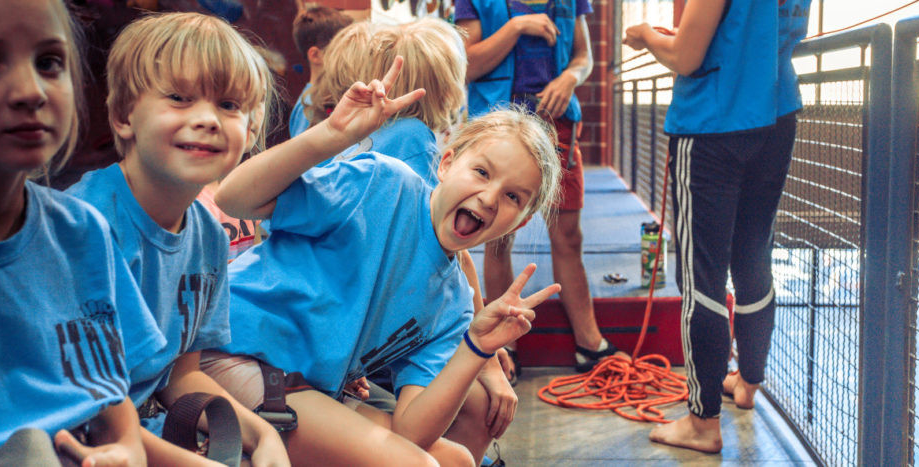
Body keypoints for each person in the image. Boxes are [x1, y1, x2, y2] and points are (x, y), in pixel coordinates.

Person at [205, 57, 563, 466]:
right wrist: (330, 136)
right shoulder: (382, 182)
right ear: (446, 163)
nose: (489, 197)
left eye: (513, 197)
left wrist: (476, 346)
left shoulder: (455, 303)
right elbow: (233, 198)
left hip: (309, 388)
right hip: (234, 354)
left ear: (523, 219)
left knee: (457, 461)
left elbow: (413, 430)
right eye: (481, 172)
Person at [65, 12, 290, 466]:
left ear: (249, 131)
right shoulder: (83, 228)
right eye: (180, 98)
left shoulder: (207, 233)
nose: (207, 119)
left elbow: (180, 377)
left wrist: (264, 437)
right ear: (123, 117)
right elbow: (84, 409)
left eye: (228, 105)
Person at [299, 18, 521, 443]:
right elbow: (450, 249)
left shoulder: (365, 137)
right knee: (477, 406)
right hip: (369, 321)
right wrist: (488, 362)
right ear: (446, 85)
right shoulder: (411, 138)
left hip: (354, 320)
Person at [623, 0, 811, 454]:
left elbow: (687, 58)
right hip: (776, 110)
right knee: (753, 254)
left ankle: (702, 421)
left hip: (713, 122)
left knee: (702, 276)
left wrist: (647, 36)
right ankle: (747, 383)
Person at [0, 0, 162, 465]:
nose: (30, 91)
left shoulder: (81, 231)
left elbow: (105, 385)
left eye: (48, 62)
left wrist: (127, 447)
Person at [455, 0, 620, 376]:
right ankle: (500, 347)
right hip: (500, 124)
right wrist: (515, 28)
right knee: (497, 235)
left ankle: (589, 343)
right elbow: (466, 65)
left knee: (568, 235)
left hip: (558, 125)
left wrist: (570, 78)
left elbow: (584, 56)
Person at [288, 4, 353, 138]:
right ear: (316, 55)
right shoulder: (308, 107)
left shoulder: (325, 97)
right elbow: (303, 155)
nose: (349, 56)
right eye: (341, 49)